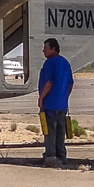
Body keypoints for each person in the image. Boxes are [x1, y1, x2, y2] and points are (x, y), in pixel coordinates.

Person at [37, 37, 73, 168]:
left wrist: (41, 98)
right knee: (60, 132)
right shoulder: (65, 63)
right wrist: (64, 97)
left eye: (45, 48)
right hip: (62, 105)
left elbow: (48, 83)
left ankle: (51, 156)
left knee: (50, 132)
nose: (43, 51)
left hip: (50, 104)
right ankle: (61, 156)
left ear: (53, 49)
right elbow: (70, 84)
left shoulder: (50, 63)